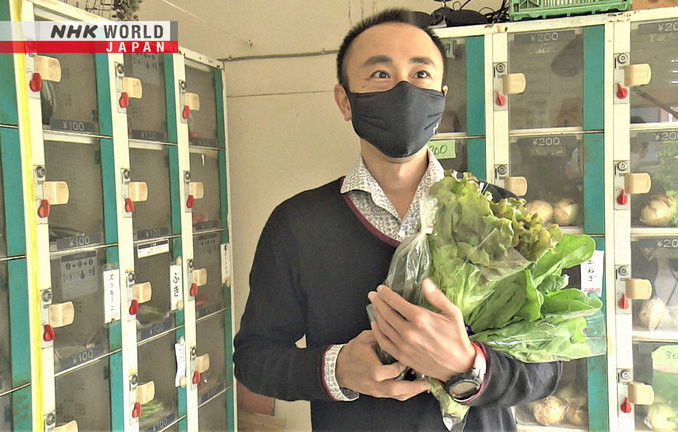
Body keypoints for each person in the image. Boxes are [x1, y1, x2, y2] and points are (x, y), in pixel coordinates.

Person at [233, 9, 562, 431]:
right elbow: (256, 359)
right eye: (380, 75)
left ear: (441, 97)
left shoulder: (504, 219)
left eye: (421, 74)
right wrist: (339, 370)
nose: (404, 90)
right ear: (345, 100)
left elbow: (551, 368)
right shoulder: (297, 224)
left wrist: (467, 366)